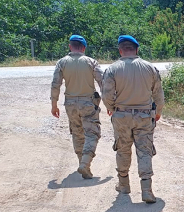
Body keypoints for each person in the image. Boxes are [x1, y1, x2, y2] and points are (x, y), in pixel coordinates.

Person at [102, 35, 165, 203]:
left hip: (121, 115)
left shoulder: (113, 69)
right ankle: (146, 189)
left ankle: (124, 185)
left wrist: (112, 108)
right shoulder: (149, 68)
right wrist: (158, 111)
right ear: (136, 50)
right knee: (144, 151)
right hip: (144, 115)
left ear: (120, 50)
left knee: (123, 149)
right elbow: (158, 94)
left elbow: (106, 95)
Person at [50, 34, 104, 179]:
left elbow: (56, 84)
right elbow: (103, 82)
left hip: (70, 103)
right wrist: (110, 103)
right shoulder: (91, 62)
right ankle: (85, 164)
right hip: (88, 103)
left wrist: (54, 105)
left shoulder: (62, 62)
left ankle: (81, 162)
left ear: (70, 46)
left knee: (77, 133)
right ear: (84, 48)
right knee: (92, 133)